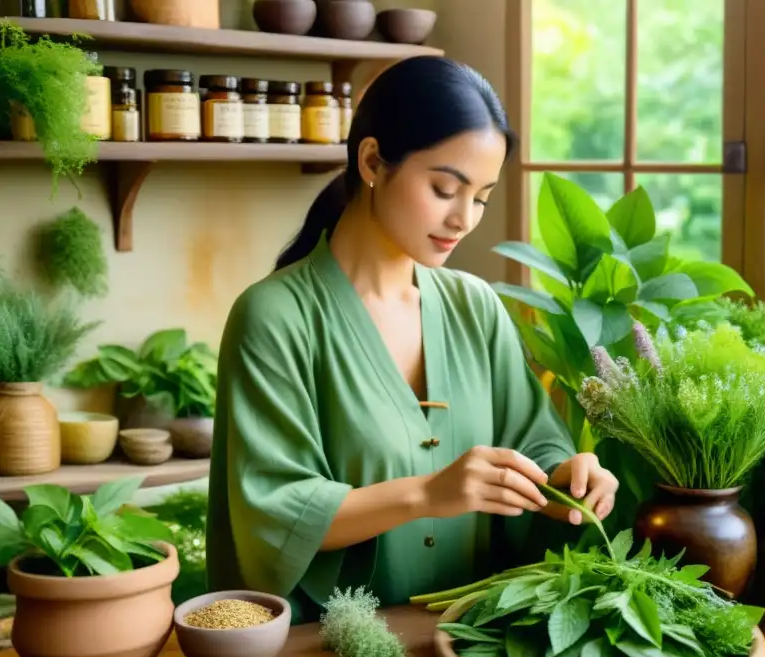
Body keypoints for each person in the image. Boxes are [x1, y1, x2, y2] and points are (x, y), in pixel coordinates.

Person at [205, 56, 619, 624]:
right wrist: (428, 493)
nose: (464, 219)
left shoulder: (475, 306)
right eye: (445, 188)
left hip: (472, 640)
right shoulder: (274, 317)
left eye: (481, 197)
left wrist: (567, 477)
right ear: (373, 161)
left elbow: (533, 443)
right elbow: (273, 514)